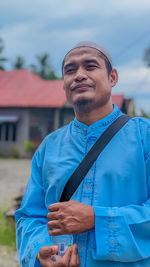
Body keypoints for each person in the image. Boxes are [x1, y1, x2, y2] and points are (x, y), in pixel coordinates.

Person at [15, 41, 150, 267]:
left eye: (90, 66)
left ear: (112, 77)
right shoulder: (49, 147)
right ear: (64, 84)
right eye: (70, 70)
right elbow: (30, 216)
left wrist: (98, 219)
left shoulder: (144, 137)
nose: (79, 75)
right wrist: (41, 252)